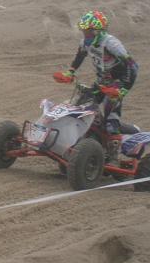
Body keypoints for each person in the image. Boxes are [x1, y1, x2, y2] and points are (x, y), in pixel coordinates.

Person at [54, 10, 138, 159]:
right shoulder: (85, 43)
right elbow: (79, 56)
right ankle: (80, 142)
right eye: (84, 31)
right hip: (100, 82)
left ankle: (113, 157)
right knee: (79, 108)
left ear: (99, 30)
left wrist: (123, 90)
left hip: (115, 86)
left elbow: (132, 66)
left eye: (89, 31)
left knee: (111, 118)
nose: (86, 34)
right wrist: (70, 72)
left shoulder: (112, 44)